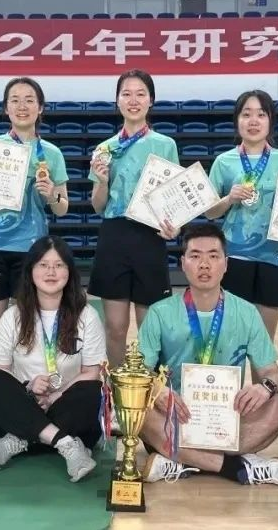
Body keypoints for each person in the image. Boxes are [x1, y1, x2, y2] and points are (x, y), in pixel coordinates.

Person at [136, 223, 278, 487]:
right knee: (136, 404)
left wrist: (264, 389)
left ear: (226, 264)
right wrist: (157, 390)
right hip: (174, 415)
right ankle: (233, 467)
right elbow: (139, 372)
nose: (204, 264)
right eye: (195, 256)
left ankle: (181, 460)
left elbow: (272, 374)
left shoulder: (246, 312)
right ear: (183, 263)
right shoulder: (159, 312)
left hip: (227, 418)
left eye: (213, 256)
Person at [0, 76, 70, 435]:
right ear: (6, 108)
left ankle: (32, 400)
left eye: (29, 99)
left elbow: (63, 207)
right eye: (15, 100)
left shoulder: (51, 154)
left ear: (41, 107)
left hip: (31, 251)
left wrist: (52, 194)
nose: (22, 106)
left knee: (29, 330)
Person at [0, 235, 105, 482]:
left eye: (58, 265)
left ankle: (20, 440)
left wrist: (57, 395)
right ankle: (66, 444)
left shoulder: (86, 315)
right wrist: (28, 389)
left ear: (69, 272)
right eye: (43, 265)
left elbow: (91, 371)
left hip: (64, 408)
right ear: (31, 271)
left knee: (93, 390)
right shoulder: (13, 316)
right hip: (25, 404)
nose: (51, 272)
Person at [206, 90, 278, 340]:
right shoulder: (224, 161)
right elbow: (210, 213)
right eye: (246, 114)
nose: (253, 121)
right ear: (237, 120)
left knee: (264, 340)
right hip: (234, 256)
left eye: (261, 114)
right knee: (232, 337)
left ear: (270, 120)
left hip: (275, 256)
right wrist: (229, 198)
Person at [88, 69, 180, 369]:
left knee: (150, 328)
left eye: (140, 94)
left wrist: (174, 226)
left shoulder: (165, 145)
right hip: (114, 236)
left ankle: (151, 389)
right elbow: (98, 206)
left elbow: (174, 199)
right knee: (115, 328)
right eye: (126, 94)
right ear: (117, 101)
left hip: (149, 237)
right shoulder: (105, 149)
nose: (133, 100)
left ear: (151, 100)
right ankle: (116, 388)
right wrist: (102, 182)